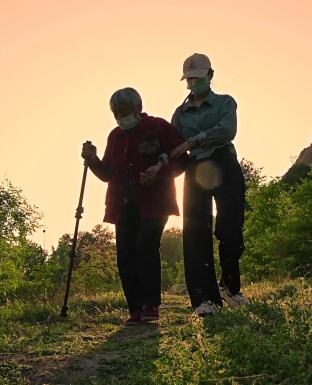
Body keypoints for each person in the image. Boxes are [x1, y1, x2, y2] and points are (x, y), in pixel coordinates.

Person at [82, 87, 187, 325]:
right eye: (116, 113)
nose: (120, 117)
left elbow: (181, 158)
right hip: (123, 205)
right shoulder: (115, 136)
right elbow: (108, 174)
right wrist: (92, 160)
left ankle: (151, 304)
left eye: (124, 111)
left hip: (156, 203)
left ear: (138, 108)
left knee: (145, 246)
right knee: (125, 254)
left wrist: (160, 175)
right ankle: (135, 308)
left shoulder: (159, 127)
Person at [170, 53, 249, 317]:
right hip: (195, 169)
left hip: (224, 162)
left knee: (231, 228)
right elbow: (174, 147)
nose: (193, 82)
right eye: (189, 78)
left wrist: (195, 140)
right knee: (195, 232)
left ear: (210, 76)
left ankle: (229, 287)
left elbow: (227, 131)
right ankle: (205, 300)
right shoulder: (179, 114)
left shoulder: (226, 103)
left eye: (198, 77)